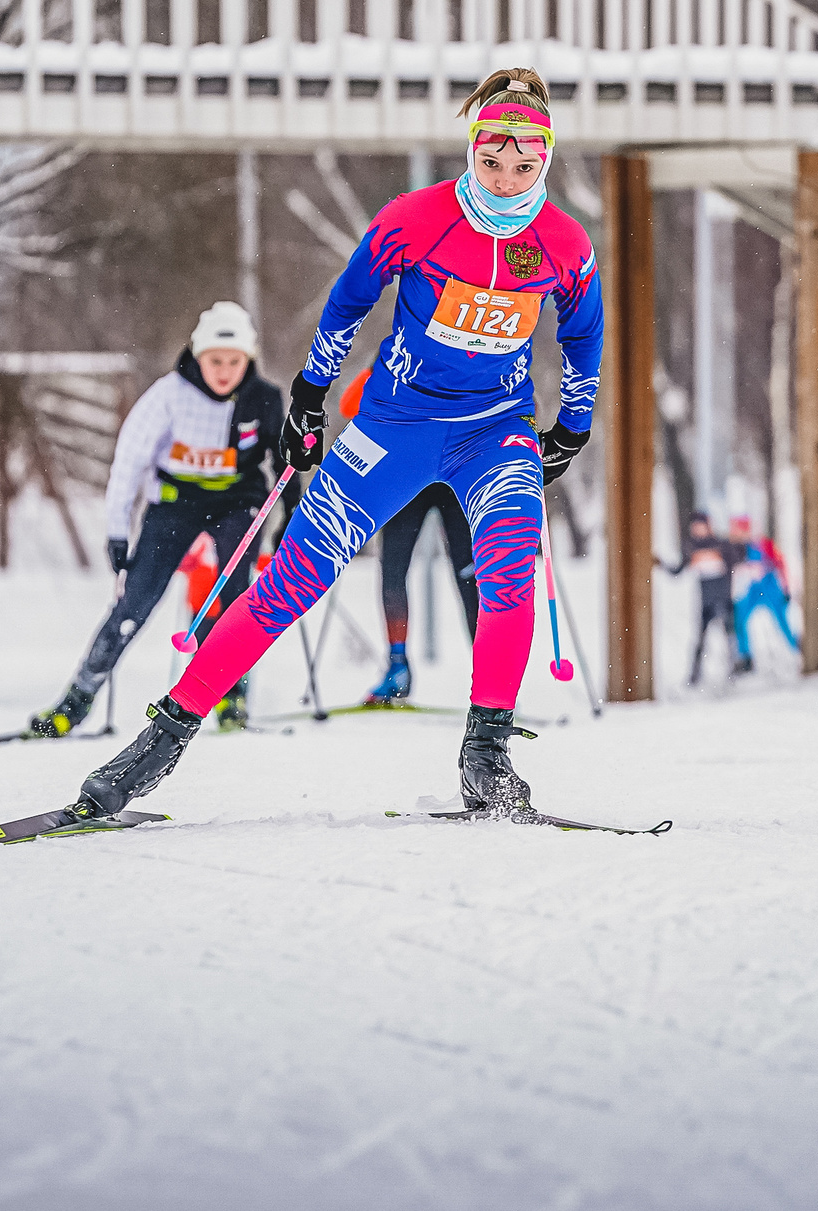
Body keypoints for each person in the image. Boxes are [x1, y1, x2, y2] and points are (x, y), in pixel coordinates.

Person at [69, 68, 603, 819]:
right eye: (492, 162)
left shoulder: (562, 242)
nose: (508, 182)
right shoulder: (417, 219)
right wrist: (311, 395)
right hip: (393, 427)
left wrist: (573, 426)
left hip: (496, 430)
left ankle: (486, 757)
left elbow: (583, 338)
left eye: (525, 167)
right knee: (292, 580)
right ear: (472, 150)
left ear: (544, 161)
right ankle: (157, 743)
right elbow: (350, 302)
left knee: (510, 569)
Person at [29, 301, 283, 738]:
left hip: (238, 502)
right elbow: (128, 461)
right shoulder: (168, 395)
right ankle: (76, 700)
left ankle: (229, 694)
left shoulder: (264, 398)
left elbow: (284, 461)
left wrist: (288, 516)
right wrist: (115, 531)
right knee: (136, 603)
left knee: (232, 598)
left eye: (235, 361)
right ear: (198, 356)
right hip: (174, 503)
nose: (224, 371)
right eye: (215, 361)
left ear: (249, 359)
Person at [348, 362, 480, 705]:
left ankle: (489, 679)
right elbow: (351, 404)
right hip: (407, 481)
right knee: (392, 569)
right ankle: (397, 668)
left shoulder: (470, 356)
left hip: (458, 479)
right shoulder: (401, 354)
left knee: (471, 577)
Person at [672, 511, 746, 685]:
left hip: (724, 598)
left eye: (701, 526)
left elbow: (738, 558)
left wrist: (738, 542)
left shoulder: (721, 544)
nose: (698, 530)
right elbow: (678, 569)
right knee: (701, 638)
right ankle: (695, 674)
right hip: (706, 601)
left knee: (729, 636)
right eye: (695, 527)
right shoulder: (691, 547)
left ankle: (733, 669)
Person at [728, 514, 799, 655]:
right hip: (751, 590)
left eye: (739, 530)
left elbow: (780, 564)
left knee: (782, 620)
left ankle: (796, 648)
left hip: (770, 587)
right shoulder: (735, 548)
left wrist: (786, 589)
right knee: (740, 620)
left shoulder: (764, 545)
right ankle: (745, 656)